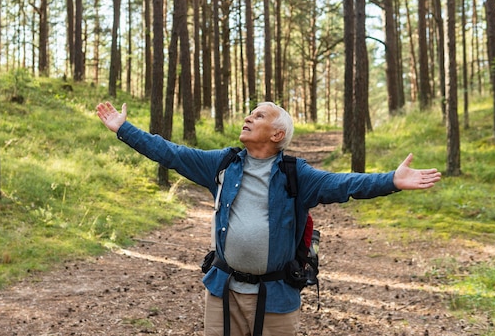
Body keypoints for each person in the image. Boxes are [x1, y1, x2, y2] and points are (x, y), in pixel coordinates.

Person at [96, 101, 442, 336]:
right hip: (223, 292)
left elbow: (344, 183)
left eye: (259, 116)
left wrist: (392, 181)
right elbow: (170, 153)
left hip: (276, 296)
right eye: (250, 113)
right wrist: (123, 128)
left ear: (277, 135)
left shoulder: (297, 174)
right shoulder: (222, 164)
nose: (249, 118)